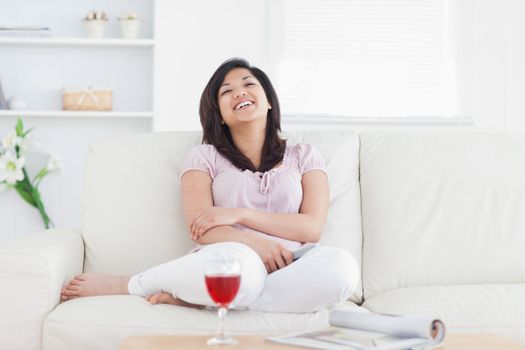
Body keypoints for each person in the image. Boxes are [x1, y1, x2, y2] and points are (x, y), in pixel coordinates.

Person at [61, 58, 359, 313]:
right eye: (226, 92)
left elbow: (310, 228)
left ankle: (209, 302)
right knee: (242, 273)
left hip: (292, 265)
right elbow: (201, 226)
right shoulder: (204, 157)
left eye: (248, 84)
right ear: (220, 114)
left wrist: (240, 214)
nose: (239, 93)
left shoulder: (304, 155)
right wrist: (255, 243)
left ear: (269, 100)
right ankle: (134, 283)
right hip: (232, 258)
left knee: (342, 268)